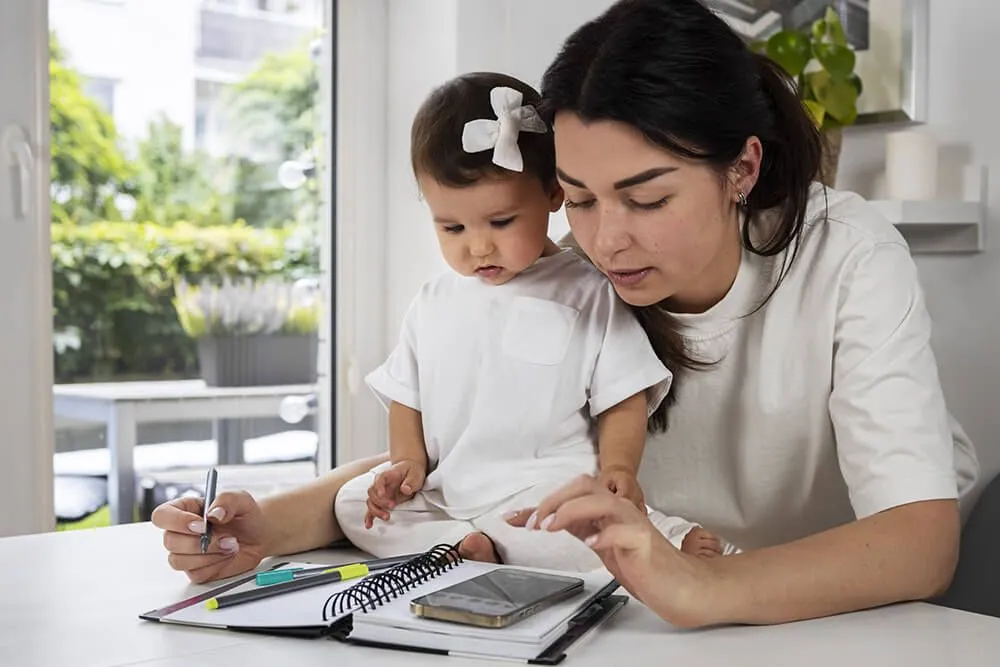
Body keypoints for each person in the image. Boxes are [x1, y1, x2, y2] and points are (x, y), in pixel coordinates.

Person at [152, 0, 978, 626]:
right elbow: (466, 446)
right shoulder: (568, 278)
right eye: (577, 199)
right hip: (648, 612)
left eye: (645, 197)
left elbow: (919, 539)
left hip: (847, 613)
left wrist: (700, 582)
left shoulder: (847, 255)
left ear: (742, 169)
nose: (607, 239)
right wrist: (264, 525)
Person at [331, 72, 719, 570]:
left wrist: (619, 467)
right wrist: (405, 465)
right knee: (351, 503)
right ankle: (461, 543)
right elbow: (407, 398)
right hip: (450, 489)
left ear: (553, 194)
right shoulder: (433, 300)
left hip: (543, 490)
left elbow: (624, 397)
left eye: (501, 222)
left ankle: (664, 535)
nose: (477, 246)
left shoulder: (589, 289)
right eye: (451, 227)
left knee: (582, 525)